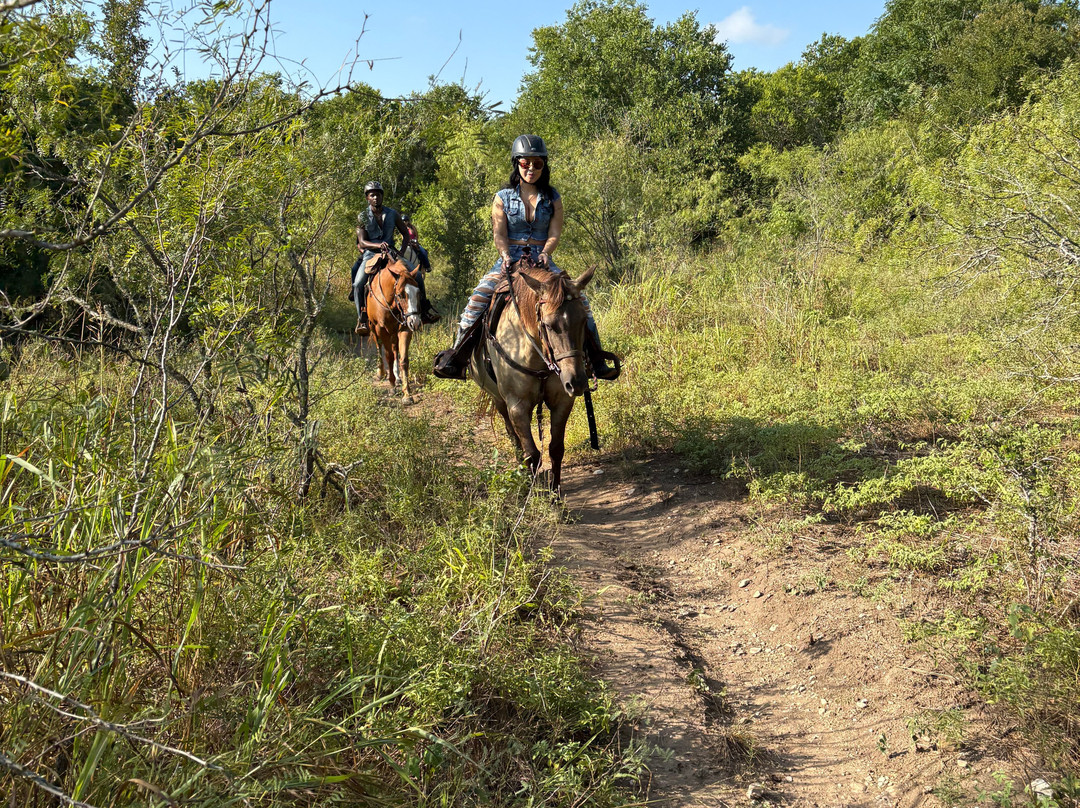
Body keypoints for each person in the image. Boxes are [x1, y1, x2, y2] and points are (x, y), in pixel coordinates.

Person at [433, 134, 618, 380]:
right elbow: (499, 233)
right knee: (476, 301)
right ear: (516, 164)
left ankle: (596, 361)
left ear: (544, 165)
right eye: (525, 163)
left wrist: (545, 253)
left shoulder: (553, 198)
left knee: (580, 302)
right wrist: (505, 254)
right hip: (509, 260)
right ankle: (457, 357)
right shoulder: (502, 197)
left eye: (537, 163)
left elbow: (554, 233)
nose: (531, 168)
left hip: (542, 259)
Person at [350, 181, 440, 335]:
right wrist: (378, 246)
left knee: (417, 275)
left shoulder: (392, 214)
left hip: (391, 254)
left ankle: (424, 310)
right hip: (371, 255)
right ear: (367, 198)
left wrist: (401, 251)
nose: (376, 197)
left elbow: (405, 234)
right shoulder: (363, 216)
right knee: (358, 283)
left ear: (382, 196)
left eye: (378, 194)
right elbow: (363, 242)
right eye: (372, 195)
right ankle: (362, 319)